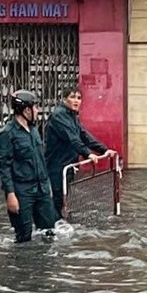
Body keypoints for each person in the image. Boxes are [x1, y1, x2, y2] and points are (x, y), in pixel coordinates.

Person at [0, 89, 57, 243]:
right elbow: (4, 167)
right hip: (22, 191)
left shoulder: (34, 131)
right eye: (35, 108)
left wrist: (47, 185)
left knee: (49, 232)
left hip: (41, 189)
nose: (37, 111)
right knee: (24, 236)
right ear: (26, 110)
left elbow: (41, 160)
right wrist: (10, 195)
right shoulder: (7, 133)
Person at [44, 86, 114, 220]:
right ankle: (51, 230)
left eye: (79, 98)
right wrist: (88, 154)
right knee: (56, 199)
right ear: (64, 99)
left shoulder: (72, 116)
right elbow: (73, 138)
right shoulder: (59, 115)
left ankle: (58, 225)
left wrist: (104, 150)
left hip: (67, 165)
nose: (76, 101)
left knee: (63, 198)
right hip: (55, 167)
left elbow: (84, 135)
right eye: (72, 97)